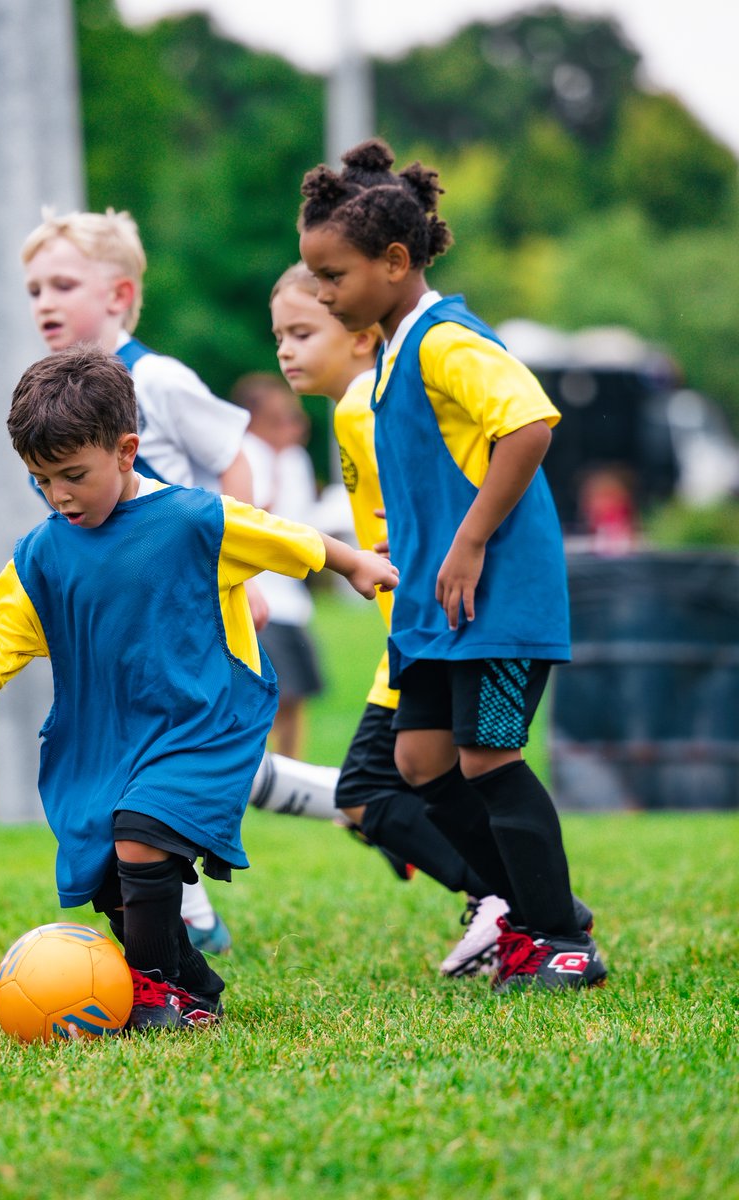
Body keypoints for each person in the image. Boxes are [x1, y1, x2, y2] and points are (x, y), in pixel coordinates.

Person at [0, 346, 398, 1031]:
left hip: (198, 721)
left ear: (126, 451)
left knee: (141, 836)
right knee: (111, 881)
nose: (59, 495)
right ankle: (190, 985)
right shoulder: (44, 550)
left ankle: (150, 991)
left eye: (72, 476)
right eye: (41, 480)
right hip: (102, 736)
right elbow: (8, 626)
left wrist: (353, 563)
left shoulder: (192, 520)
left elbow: (278, 536)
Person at [297, 138, 606, 992]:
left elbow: (529, 427)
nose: (322, 295)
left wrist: (468, 540)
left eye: (333, 277)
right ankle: (535, 910)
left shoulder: (445, 339)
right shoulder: (393, 352)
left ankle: (558, 939)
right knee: (420, 763)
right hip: (436, 610)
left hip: (497, 599)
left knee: (488, 760)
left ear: (395, 262)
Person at [20, 207, 262, 955]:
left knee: (171, 763)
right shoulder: (56, 400)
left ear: (120, 296)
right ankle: (179, 910)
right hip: (119, 639)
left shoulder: (156, 379)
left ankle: (350, 805)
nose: (45, 304)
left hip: (183, 622)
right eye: (33, 290)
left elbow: (235, 459)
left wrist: (240, 569)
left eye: (63, 283)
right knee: (125, 769)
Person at [271, 262, 508, 977]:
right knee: (405, 784)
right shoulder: (351, 410)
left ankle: (502, 899)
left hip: (426, 632)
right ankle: (508, 899)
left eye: (304, 331)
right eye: (279, 334)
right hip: (411, 632)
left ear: (361, 334)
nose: (285, 349)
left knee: (369, 791)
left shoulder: (367, 409)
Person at [231, 372, 324, 759]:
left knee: (296, 694)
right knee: (273, 692)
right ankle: (260, 769)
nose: (296, 427)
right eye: (283, 418)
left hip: (290, 596)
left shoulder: (291, 458)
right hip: (261, 595)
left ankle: (290, 770)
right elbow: (254, 514)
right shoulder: (248, 453)